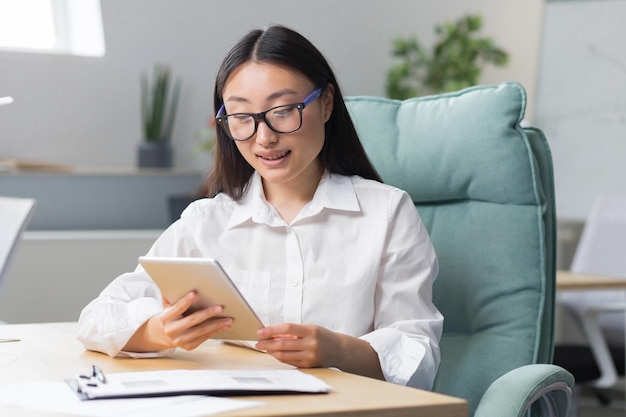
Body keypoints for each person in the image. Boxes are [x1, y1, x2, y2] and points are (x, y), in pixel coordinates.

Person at [77, 25, 443, 390]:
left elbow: (417, 351)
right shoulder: (208, 221)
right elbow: (95, 318)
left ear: (327, 103)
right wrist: (159, 332)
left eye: (283, 110)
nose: (264, 137)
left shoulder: (387, 213)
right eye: (241, 117)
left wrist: (339, 350)